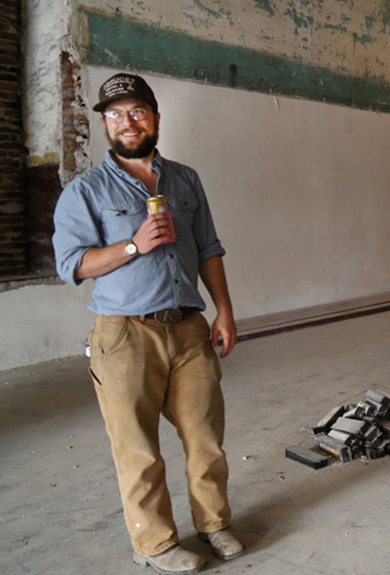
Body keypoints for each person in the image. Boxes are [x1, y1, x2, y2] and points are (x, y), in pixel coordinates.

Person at [53, 73, 244, 574]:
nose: (127, 122)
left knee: (205, 436)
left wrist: (223, 308)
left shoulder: (185, 179)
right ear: (104, 124)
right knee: (137, 447)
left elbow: (209, 249)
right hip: (124, 333)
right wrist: (134, 244)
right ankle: (155, 545)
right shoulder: (85, 190)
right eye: (115, 114)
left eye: (137, 111)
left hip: (187, 327)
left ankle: (213, 524)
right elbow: (71, 264)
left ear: (155, 117)